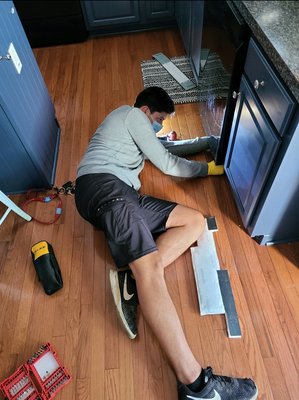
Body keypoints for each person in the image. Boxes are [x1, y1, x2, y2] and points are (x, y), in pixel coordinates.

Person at [75, 86, 258, 400]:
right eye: (158, 120)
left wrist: (211, 145)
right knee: (151, 271)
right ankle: (197, 386)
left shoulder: (134, 127)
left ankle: (131, 278)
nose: (158, 127)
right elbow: (168, 163)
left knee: (194, 221)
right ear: (146, 111)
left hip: (124, 196)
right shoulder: (132, 114)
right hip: (105, 188)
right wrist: (211, 169)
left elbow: (172, 148)